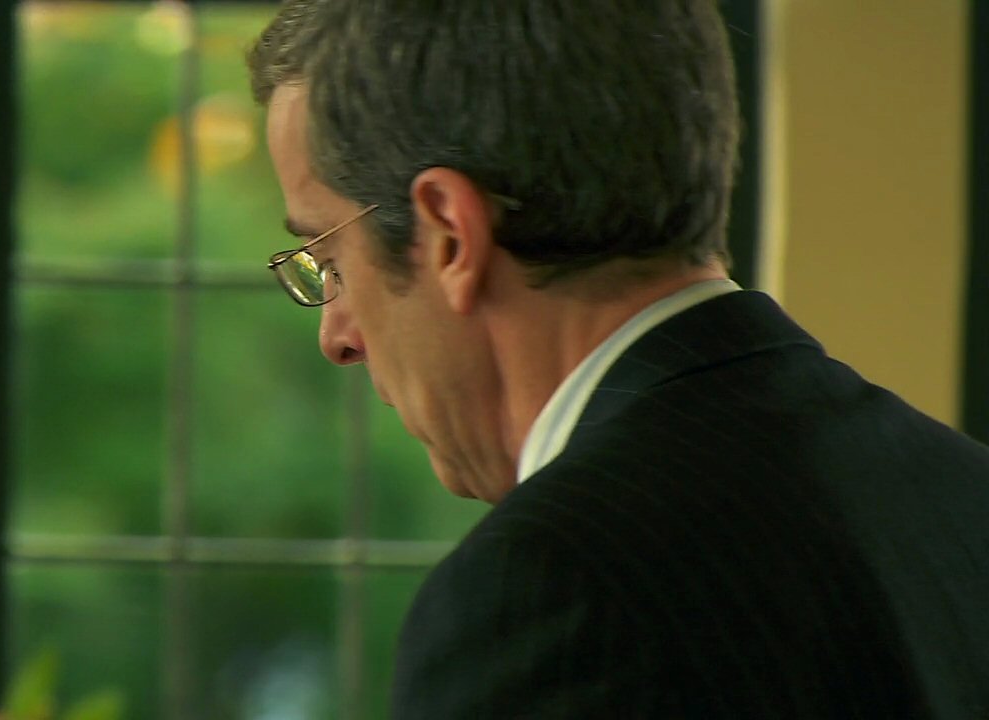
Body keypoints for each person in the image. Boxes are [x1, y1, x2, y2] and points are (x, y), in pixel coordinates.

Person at [246, 1, 989, 716]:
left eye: (329, 260)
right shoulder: (961, 491)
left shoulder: (552, 589)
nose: (337, 338)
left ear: (450, 234)